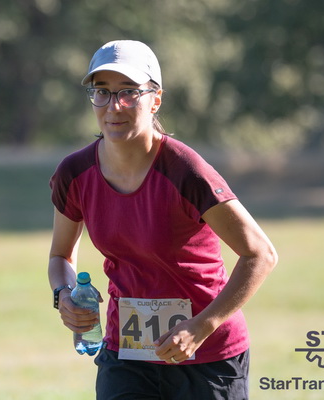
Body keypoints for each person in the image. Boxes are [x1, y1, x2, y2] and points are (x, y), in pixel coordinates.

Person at [48, 40, 278, 400]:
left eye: (129, 92)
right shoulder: (75, 172)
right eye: (102, 92)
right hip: (126, 355)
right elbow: (60, 256)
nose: (114, 106)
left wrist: (201, 326)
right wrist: (64, 295)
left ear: (155, 99)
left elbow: (260, 254)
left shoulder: (185, 170)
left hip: (207, 357)